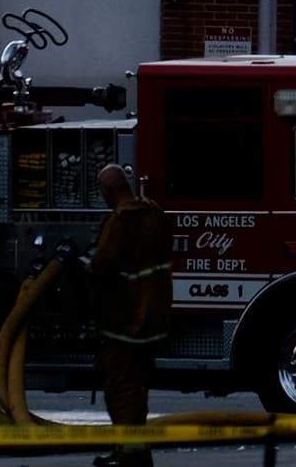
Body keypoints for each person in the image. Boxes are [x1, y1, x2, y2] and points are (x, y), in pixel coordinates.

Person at [89, 164, 172, 467]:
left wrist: (82, 263)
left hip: (124, 321)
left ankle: (129, 454)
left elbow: (102, 266)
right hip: (153, 319)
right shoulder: (155, 214)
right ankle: (133, 450)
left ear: (108, 191)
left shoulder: (121, 222)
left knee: (121, 388)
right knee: (137, 387)